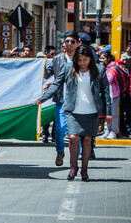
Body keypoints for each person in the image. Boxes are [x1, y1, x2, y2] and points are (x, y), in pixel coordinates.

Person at [36, 45, 112, 182]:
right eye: (79, 60)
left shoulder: (99, 70)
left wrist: (109, 113)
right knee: (72, 138)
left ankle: (84, 170)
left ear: (90, 58)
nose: (82, 63)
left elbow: (106, 92)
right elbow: (56, 84)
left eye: (85, 59)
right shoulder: (68, 68)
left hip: (91, 111)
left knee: (88, 140)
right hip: (73, 111)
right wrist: (43, 98)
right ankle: (73, 167)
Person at [44, 31, 78, 167]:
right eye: (67, 41)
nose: (69, 44)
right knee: (60, 128)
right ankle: (60, 151)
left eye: (72, 41)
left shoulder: (81, 58)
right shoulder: (57, 59)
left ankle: (75, 157)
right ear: (63, 43)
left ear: (77, 43)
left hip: (77, 102)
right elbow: (46, 73)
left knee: (75, 131)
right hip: (61, 100)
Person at [100, 51, 123, 139]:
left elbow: (109, 80)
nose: (101, 60)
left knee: (113, 114)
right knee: (107, 114)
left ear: (108, 58)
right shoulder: (104, 68)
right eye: (100, 58)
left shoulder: (113, 68)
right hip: (106, 95)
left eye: (103, 58)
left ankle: (113, 132)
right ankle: (108, 131)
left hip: (114, 94)